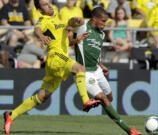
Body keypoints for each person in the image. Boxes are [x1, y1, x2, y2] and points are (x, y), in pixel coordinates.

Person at [3, 0, 101, 134]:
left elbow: (67, 35)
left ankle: (11, 115)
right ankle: (85, 100)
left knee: (41, 97)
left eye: (49, 3)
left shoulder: (58, 20)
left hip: (57, 62)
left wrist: (76, 39)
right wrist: (41, 35)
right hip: (56, 57)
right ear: (40, 10)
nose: (49, 5)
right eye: (45, 4)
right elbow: (37, 28)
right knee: (80, 69)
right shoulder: (44, 19)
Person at [68, 7, 141, 135]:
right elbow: (71, 24)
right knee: (103, 99)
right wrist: (75, 19)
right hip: (85, 72)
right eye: (103, 21)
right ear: (94, 19)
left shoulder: (101, 34)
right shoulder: (83, 27)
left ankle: (92, 103)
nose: (104, 24)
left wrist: (101, 65)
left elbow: (95, 52)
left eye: (106, 21)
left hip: (97, 70)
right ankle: (129, 130)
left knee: (109, 98)